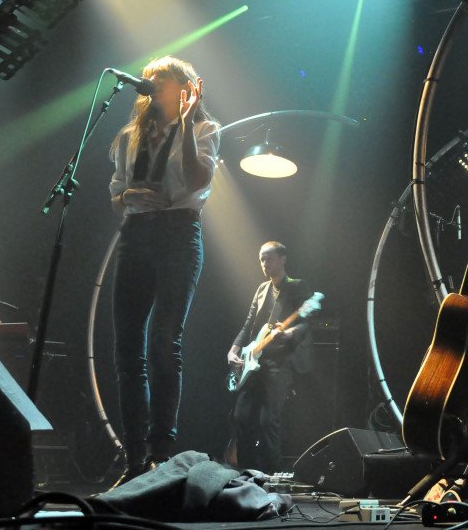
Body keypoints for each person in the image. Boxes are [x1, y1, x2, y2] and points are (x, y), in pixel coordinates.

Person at [108, 56, 220, 485]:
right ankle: (134, 459)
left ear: (186, 88)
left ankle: (161, 454)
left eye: (161, 78)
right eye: (149, 78)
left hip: (178, 234)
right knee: (127, 351)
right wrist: (127, 196)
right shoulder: (128, 137)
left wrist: (188, 125)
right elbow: (115, 194)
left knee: (162, 342)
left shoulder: (206, 130)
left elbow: (195, 181)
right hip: (135, 235)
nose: (151, 83)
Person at [228, 241, 321, 474]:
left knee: (269, 421)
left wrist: (289, 332)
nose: (264, 263)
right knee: (242, 417)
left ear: (283, 259)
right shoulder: (261, 290)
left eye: (269, 258)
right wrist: (234, 350)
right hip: (254, 359)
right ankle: (247, 473)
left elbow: (306, 322)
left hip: (280, 362)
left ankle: (272, 475)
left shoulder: (297, 287)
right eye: (261, 259)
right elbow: (249, 323)